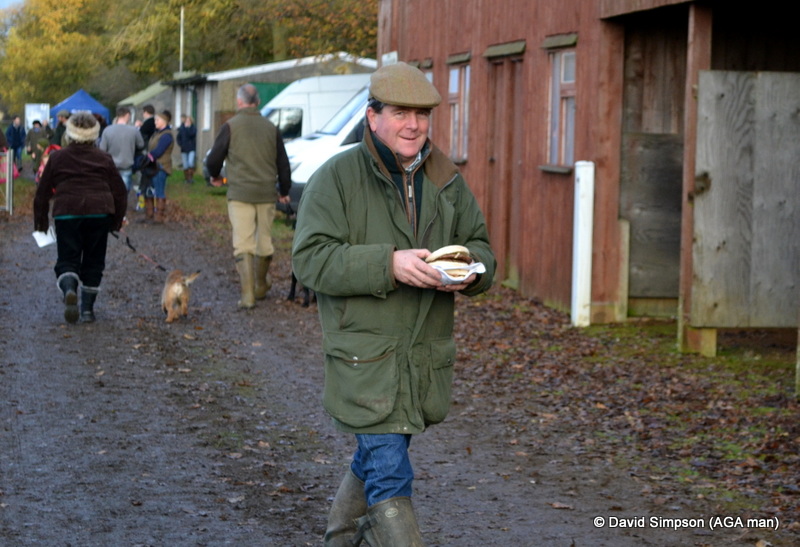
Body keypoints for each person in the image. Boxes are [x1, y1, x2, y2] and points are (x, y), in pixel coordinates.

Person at [291, 62, 496, 545]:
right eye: (401, 113)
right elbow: (310, 261)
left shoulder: (447, 178)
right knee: (390, 475)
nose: (413, 125)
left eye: (422, 115)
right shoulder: (336, 178)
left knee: (376, 454)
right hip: (365, 360)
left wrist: (469, 273)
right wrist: (389, 264)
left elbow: (482, 248)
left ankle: (340, 538)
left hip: (423, 358)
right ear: (372, 117)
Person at [33, 112, 127, 324]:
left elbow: (42, 192)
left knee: (67, 258)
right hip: (98, 212)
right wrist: (115, 222)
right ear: (94, 134)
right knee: (94, 261)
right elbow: (120, 192)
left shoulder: (57, 158)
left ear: (70, 133)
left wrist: (41, 223)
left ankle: (69, 288)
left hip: (67, 212)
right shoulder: (104, 158)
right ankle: (87, 311)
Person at [206, 84, 292, 309]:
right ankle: (261, 285)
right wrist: (284, 191)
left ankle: (247, 296)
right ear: (259, 102)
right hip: (266, 194)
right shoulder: (271, 128)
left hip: (240, 194)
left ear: (239, 102)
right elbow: (283, 164)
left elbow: (213, 158)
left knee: (243, 243)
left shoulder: (230, 127)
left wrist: (214, 176)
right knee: (264, 242)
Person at [99, 107, 145, 194]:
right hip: (126, 165)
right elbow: (141, 145)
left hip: (111, 167)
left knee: (111, 193)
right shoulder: (133, 131)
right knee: (123, 194)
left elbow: (102, 149)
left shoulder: (107, 130)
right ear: (127, 115)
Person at [142, 110, 174, 224]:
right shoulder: (157, 133)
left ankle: (159, 216)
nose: (155, 122)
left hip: (161, 166)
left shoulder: (166, 135)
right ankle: (149, 214)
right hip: (152, 166)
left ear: (164, 121)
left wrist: (147, 157)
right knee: (149, 190)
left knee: (159, 190)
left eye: (157, 120)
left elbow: (159, 151)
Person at [177, 114, 197, 183]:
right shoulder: (182, 128)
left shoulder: (193, 128)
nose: (187, 122)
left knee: (190, 163)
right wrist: (181, 144)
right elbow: (178, 137)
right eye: (186, 121)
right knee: (185, 165)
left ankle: (191, 178)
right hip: (184, 149)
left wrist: (187, 128)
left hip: (191, 148)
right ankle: (187, 179)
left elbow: (191, 134)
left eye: (189, 121)